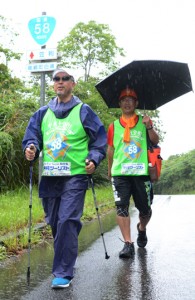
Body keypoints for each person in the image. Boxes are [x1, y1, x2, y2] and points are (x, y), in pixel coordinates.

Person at [22, 68, 107, 288]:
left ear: (73, 84)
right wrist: (30, 148)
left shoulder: (83, 110)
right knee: (55, 222)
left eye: (65, 79)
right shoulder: (42, 113)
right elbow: (32, 137)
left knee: (67, 219)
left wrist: (93, 159)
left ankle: (63, 272)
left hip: (76, 175)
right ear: (53, 84)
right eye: (56, 79)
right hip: (50, 177)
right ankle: (67, 254)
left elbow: (99, 141)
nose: (60, 82)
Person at [107, 88, 159, 258]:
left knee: (145, 210)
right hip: (120, 173)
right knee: (121, 207)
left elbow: (155, 140)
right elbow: (111, 149)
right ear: (119, 104)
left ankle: (141, 228)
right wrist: (110, 170)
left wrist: (149, 126)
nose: (127, 102)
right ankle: (128, 243)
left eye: (131, 99)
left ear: (136, 103)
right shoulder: (113, 126)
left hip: (141, 172)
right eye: (124, 99)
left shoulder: (144, 123)